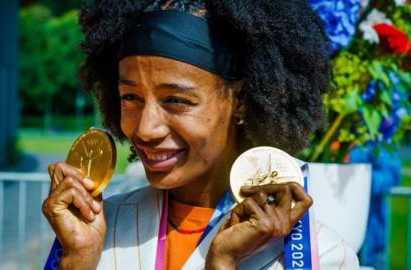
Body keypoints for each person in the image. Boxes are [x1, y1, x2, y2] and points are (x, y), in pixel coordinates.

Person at [42, 0, 359, 269]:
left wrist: (221, 261)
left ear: (241, 101)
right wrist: (78, 260)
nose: (145, 128)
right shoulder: (97, 229)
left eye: (176, 101)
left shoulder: (322, 255)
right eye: (130, 98)